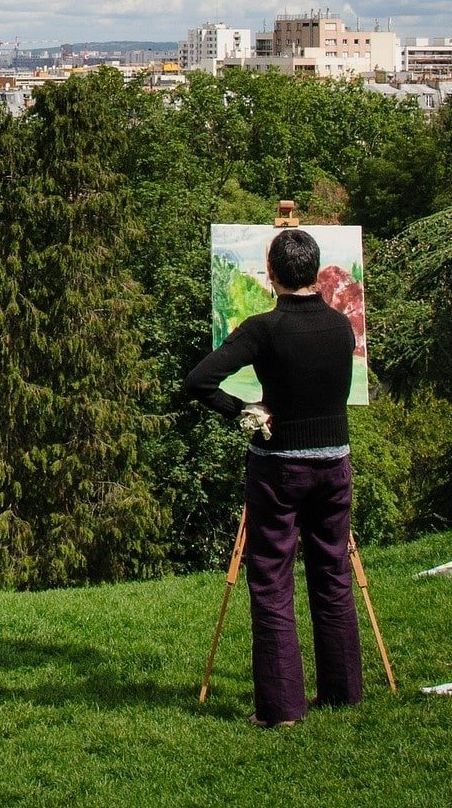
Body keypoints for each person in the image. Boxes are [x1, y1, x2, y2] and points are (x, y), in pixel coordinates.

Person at [184, 228, 363, 728]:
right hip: (335, 463)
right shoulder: (342, 326)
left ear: (272, 273)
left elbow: (198, 380)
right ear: (317, 270)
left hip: (280, 464)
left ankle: (283, 709)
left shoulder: (264, 328)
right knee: (333, 575)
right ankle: (343, 691)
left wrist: (244, 412)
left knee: (271, 582)